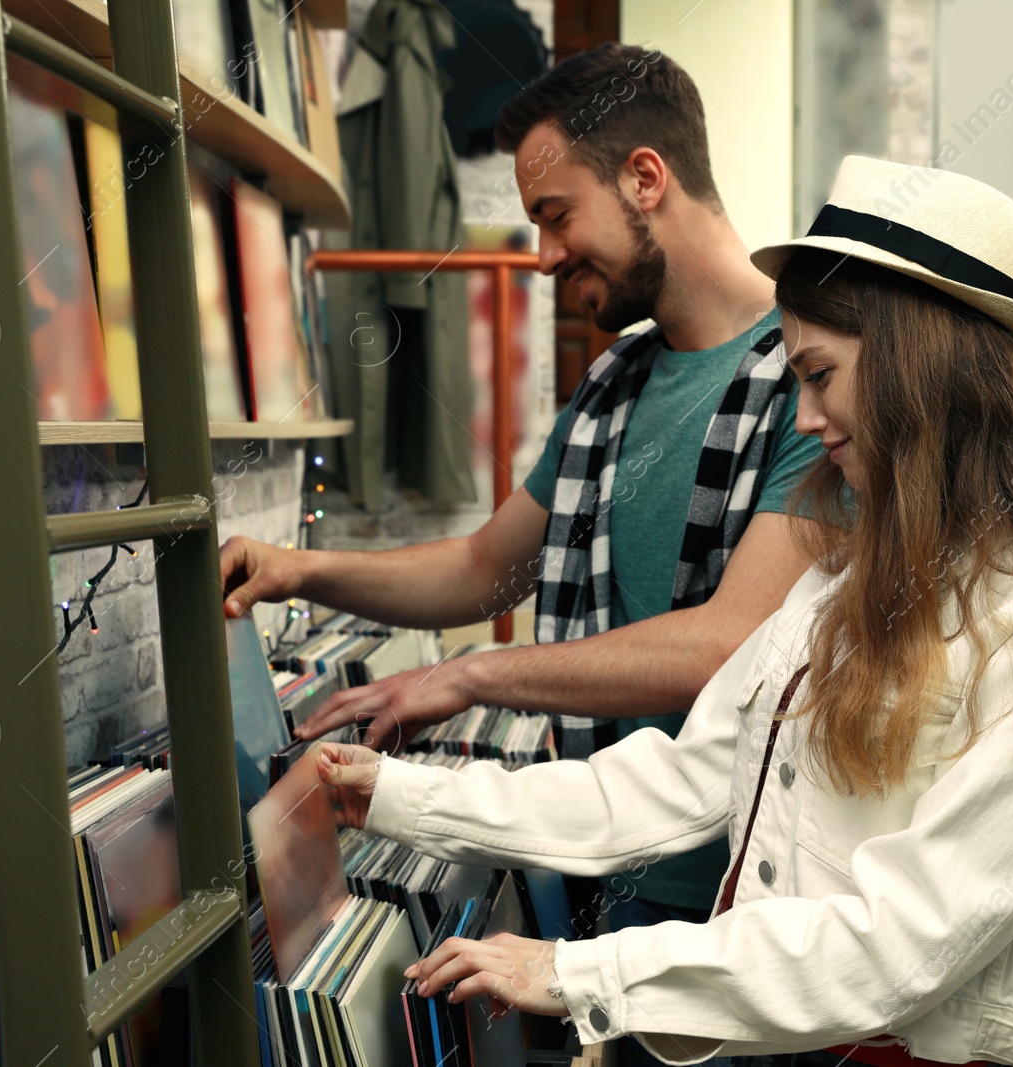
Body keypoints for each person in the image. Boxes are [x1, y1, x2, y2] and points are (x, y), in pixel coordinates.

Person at [307, 156, 1013, 1067]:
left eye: (821, 374)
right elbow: (680, 780)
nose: (810, 416)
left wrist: (579, 971)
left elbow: (901, 941)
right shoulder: (840, 589)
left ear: (924, 370)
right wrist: (395, 794)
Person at [219, 40, 823, 1007]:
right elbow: (485, 568)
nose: (542, 258)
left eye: (553, 216)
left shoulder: (811, 384)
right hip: (602, 872)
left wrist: (466, 673)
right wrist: (298, 569)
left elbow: (728, 645)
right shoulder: (611, 385)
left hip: (746, 909)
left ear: (645, 178)